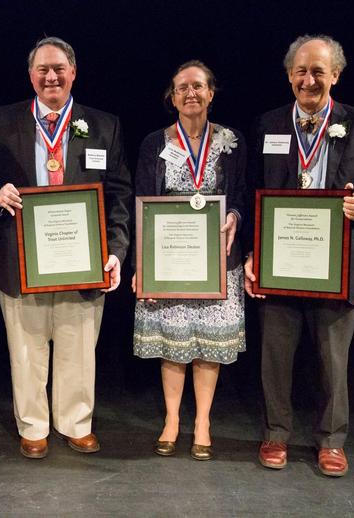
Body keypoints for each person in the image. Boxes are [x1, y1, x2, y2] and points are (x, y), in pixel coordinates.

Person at [0, 36, 132, 459]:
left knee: (78, 346)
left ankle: (75, 422)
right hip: (18, 259)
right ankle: (34, 425)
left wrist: (115, 250)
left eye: (59, 68)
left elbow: (118, 194)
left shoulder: (104, 125)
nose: (51, 76)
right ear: (31, 76)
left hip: (84, 260)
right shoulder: (0, 120)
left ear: (73, 72)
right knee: (26, 348)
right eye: (42, 69)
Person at [245, 35, 354, 477]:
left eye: (318, 71)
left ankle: (332, 441)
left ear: (335, 75)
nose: (309, 80)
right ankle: (276, 434)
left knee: (333, 360)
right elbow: (252, 195)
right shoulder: (267, 124)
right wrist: (251, 252)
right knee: (276, 356)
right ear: (289, 75)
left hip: (338, 265)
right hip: (279, 262)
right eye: (301, 71)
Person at [132, 61, 246, 461]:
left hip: (218, 261)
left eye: (198, 86)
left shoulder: (231, 141)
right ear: (172, 96)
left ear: (212, 93)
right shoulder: (153, 143)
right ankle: (172, 420)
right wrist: (141, 266)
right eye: (182, 87)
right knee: (173, 342)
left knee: (208, 346)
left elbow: (242, 195)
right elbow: (143, 201)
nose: (191, 93)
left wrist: (234, 216)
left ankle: (202, 422)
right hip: (169, 261)